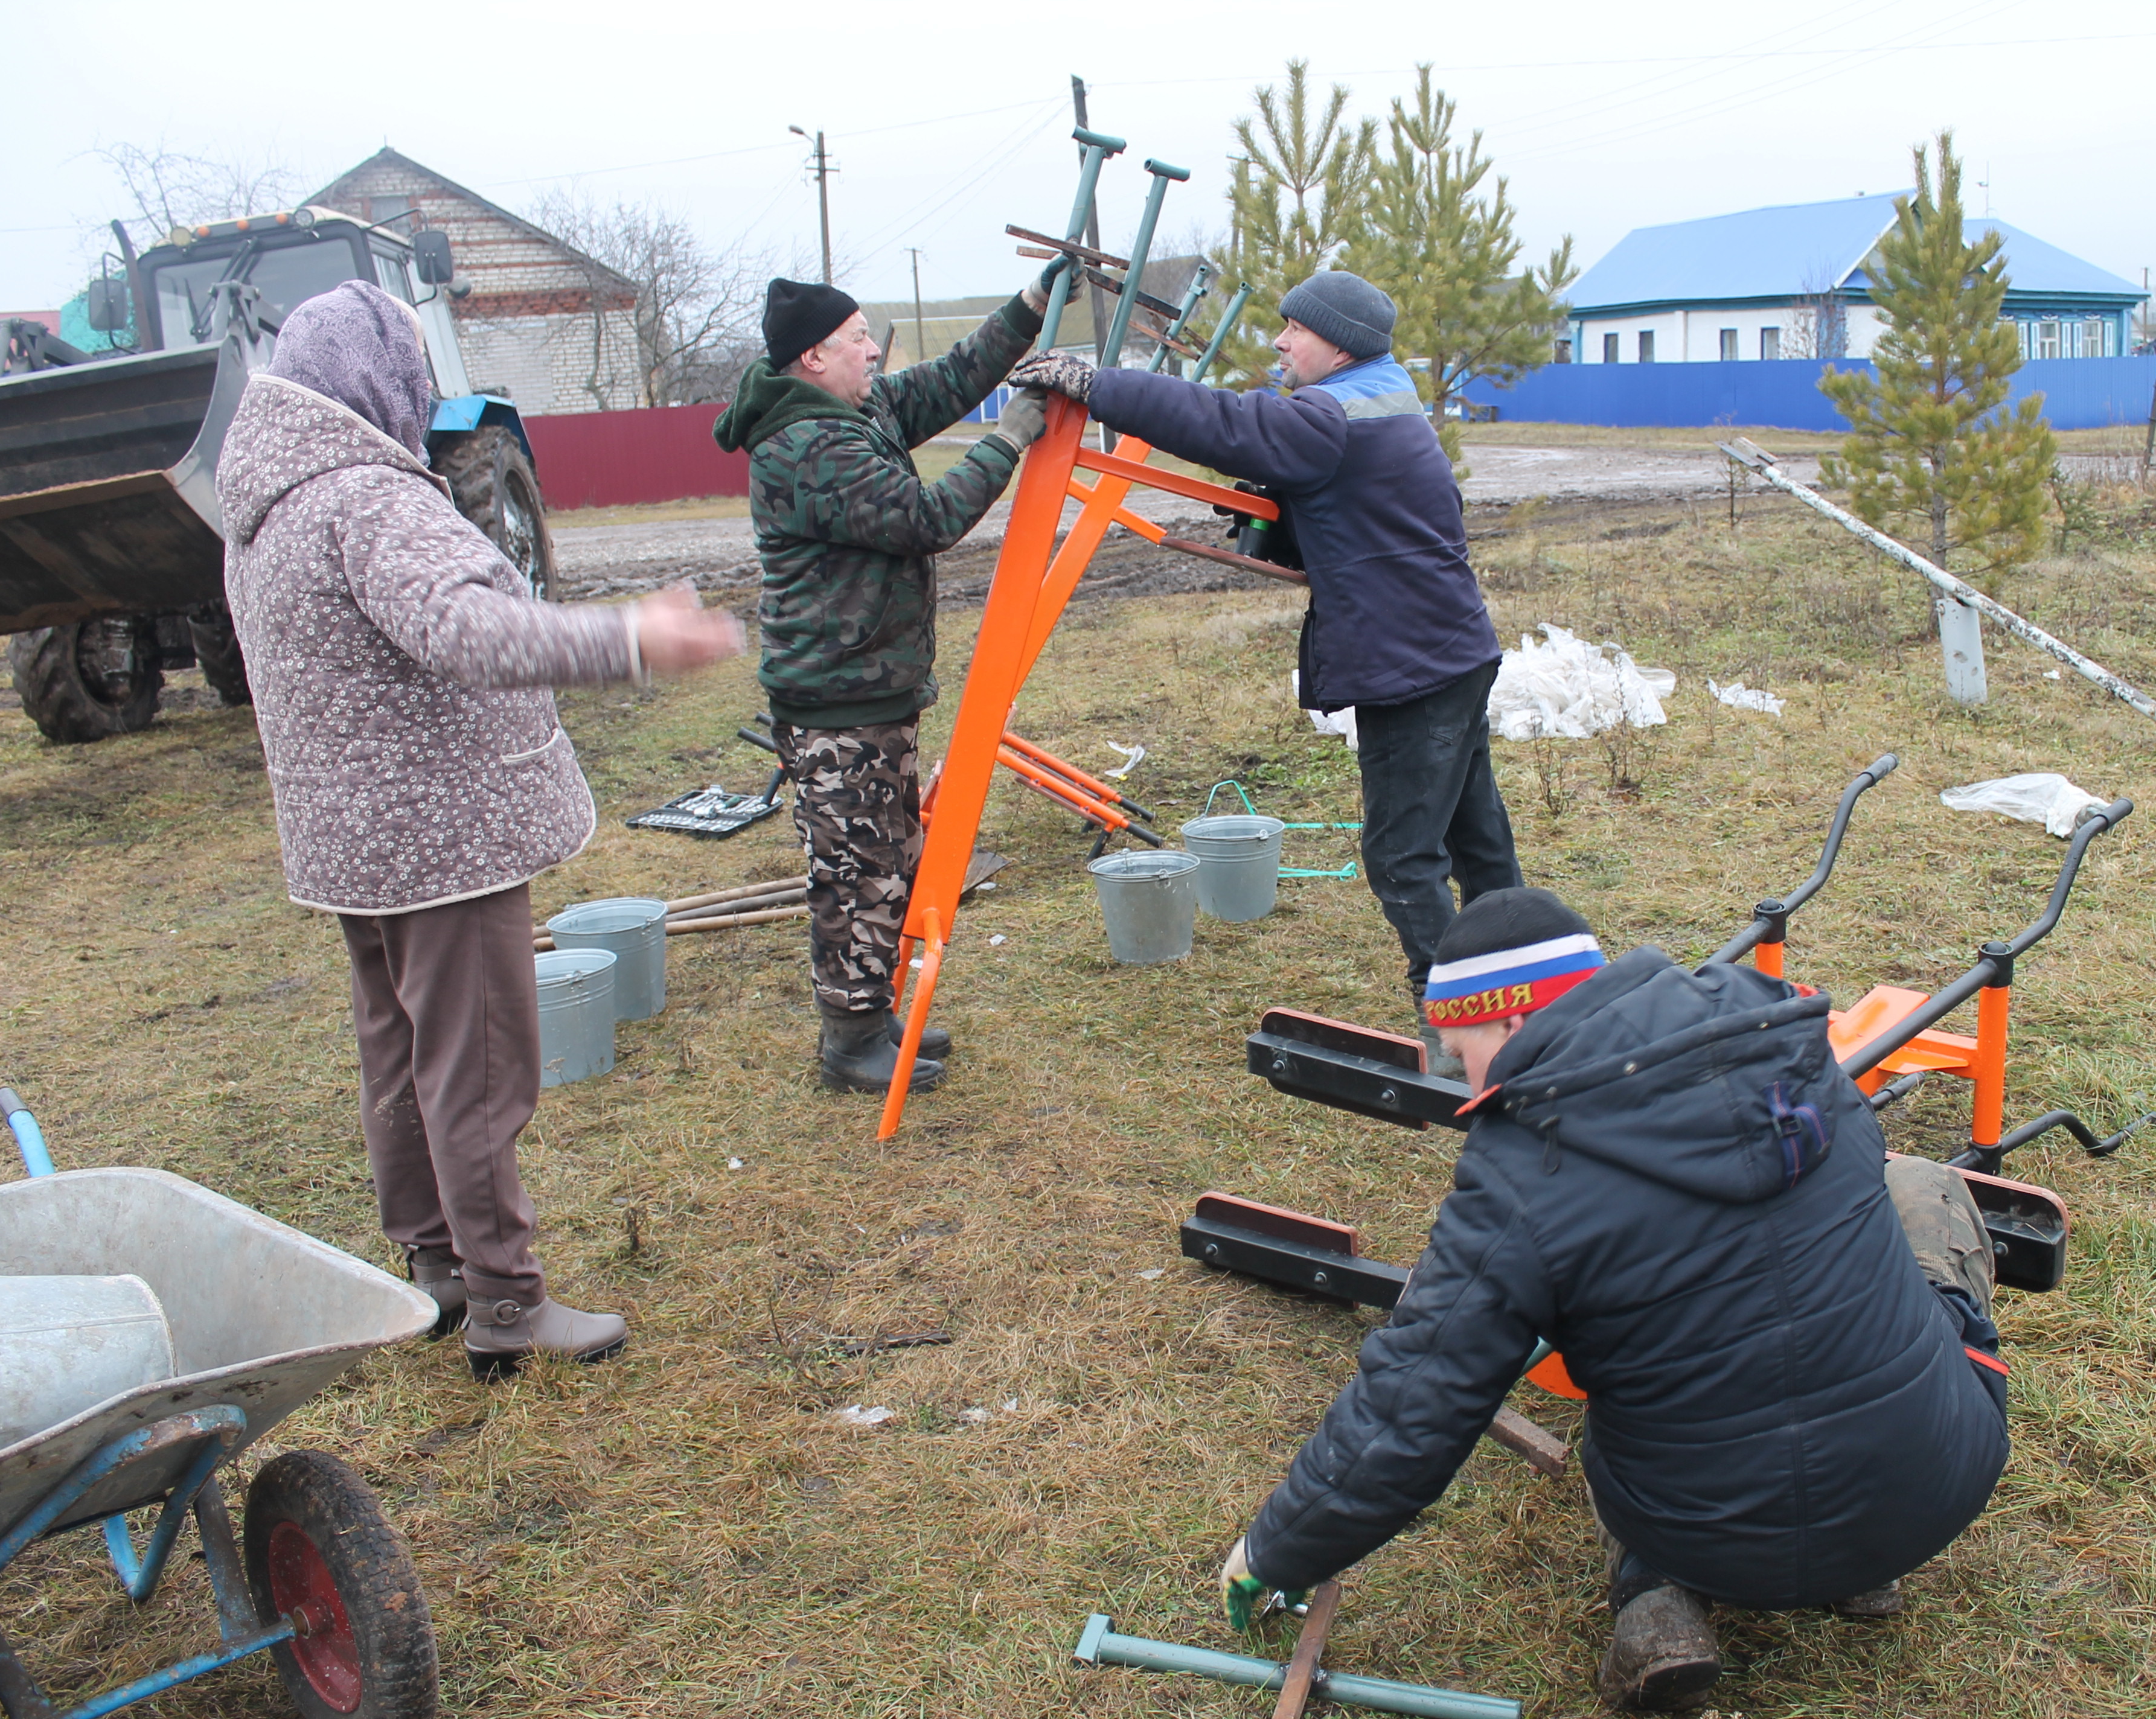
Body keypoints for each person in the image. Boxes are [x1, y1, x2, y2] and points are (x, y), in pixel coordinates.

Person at [1211, 887, 2013, 1712]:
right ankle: (1869, 1564)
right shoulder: (1793, 1054)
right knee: (1918, 1185)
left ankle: (1654, 1593)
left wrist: (1277, 1550)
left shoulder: (1522, 1174)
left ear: (1514, 1022)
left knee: (1618, 1403)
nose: (1463, 1080)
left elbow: (1411, 1407)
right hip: (1934, 1492)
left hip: (1715, 1545)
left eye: (1461, 1051)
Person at [217, 281, 744, 1379]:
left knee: (403, 1057)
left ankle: (438, 1266)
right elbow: (465, 628)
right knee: (479, 1068)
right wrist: (631, 640)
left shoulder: (269, 501)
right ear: (379, 378)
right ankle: (507, 1302)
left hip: (354, 844)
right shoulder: (368, 495)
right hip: (440, 837)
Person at [1009, 272, 1520, 1075]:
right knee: (1476, 841)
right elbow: (1375, 517)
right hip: (1455, 652)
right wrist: (1283, 513)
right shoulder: (1389, 400)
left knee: (1400, 857)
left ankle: (1464, 1032)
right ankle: (1529, 993)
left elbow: (1222, 420)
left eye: (1295, 331)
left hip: (1413, 672)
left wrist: (1095, 386)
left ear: (1339, 343)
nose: (1280, 344)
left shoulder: (1329, 414)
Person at [712, 271, 1057, 1094]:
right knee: (854, 871)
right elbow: (926, 519)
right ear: (813, 356)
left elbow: (949, 380)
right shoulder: (807, 447)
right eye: (859, 337)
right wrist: (1009, 439)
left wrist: (1028, 310)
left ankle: (874, 1014)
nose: (875, 348)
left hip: (872, 687)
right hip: (836, 699)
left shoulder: (851, 407)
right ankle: (849, 1041)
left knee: (887, 859)